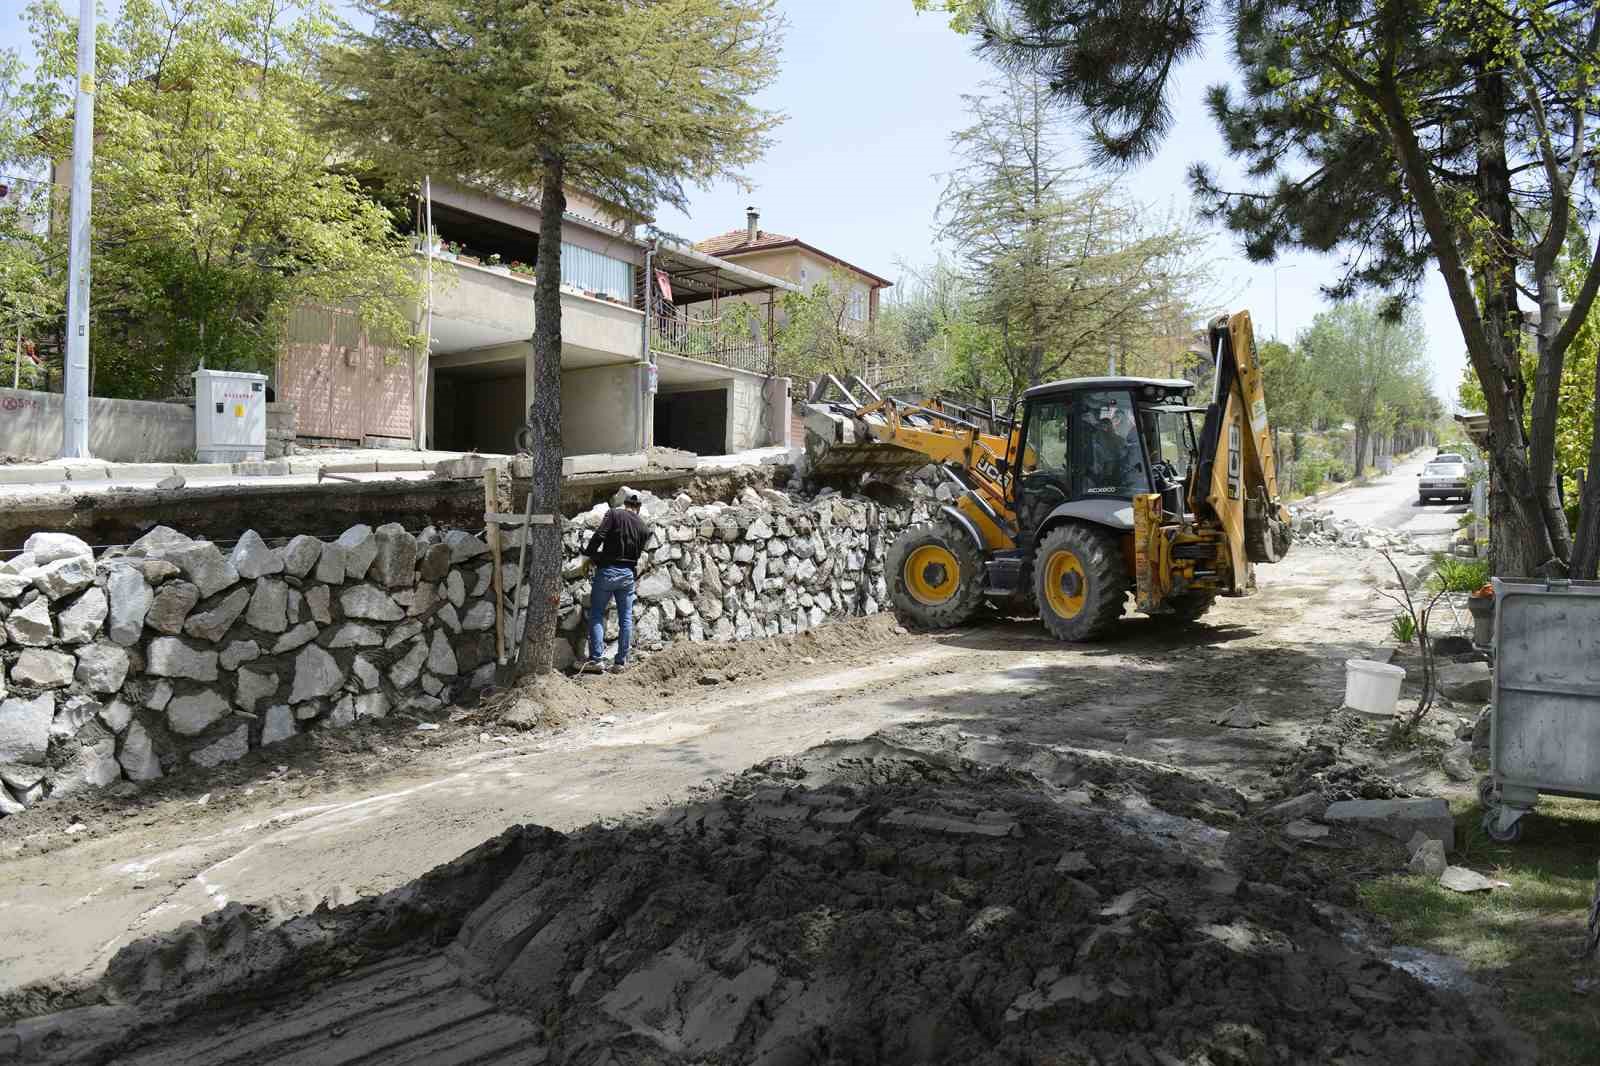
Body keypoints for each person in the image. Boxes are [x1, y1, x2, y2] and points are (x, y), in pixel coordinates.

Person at [579, 493, 648, 674]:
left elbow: (600, 535)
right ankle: (620, 662)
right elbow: (637, 555)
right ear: (638, 508)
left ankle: (596, 660)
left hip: (608, 572)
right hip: (627, 576)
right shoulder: (643, 527)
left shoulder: (614, 514)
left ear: (625, 504)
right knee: (625, 618)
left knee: (597, 614)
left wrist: (589, 554)